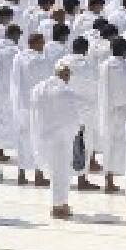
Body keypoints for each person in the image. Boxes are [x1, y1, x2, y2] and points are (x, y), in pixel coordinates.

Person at [30, 60, 89, 219]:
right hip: (60, 138)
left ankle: (61, 203)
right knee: (60, 172)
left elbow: (34, 112)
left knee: (55, 171)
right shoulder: (64, 91)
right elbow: (72, 114)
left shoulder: (39, 88)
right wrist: (78, 127)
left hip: (43, 134)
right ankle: (58, 206)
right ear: (65, 75)